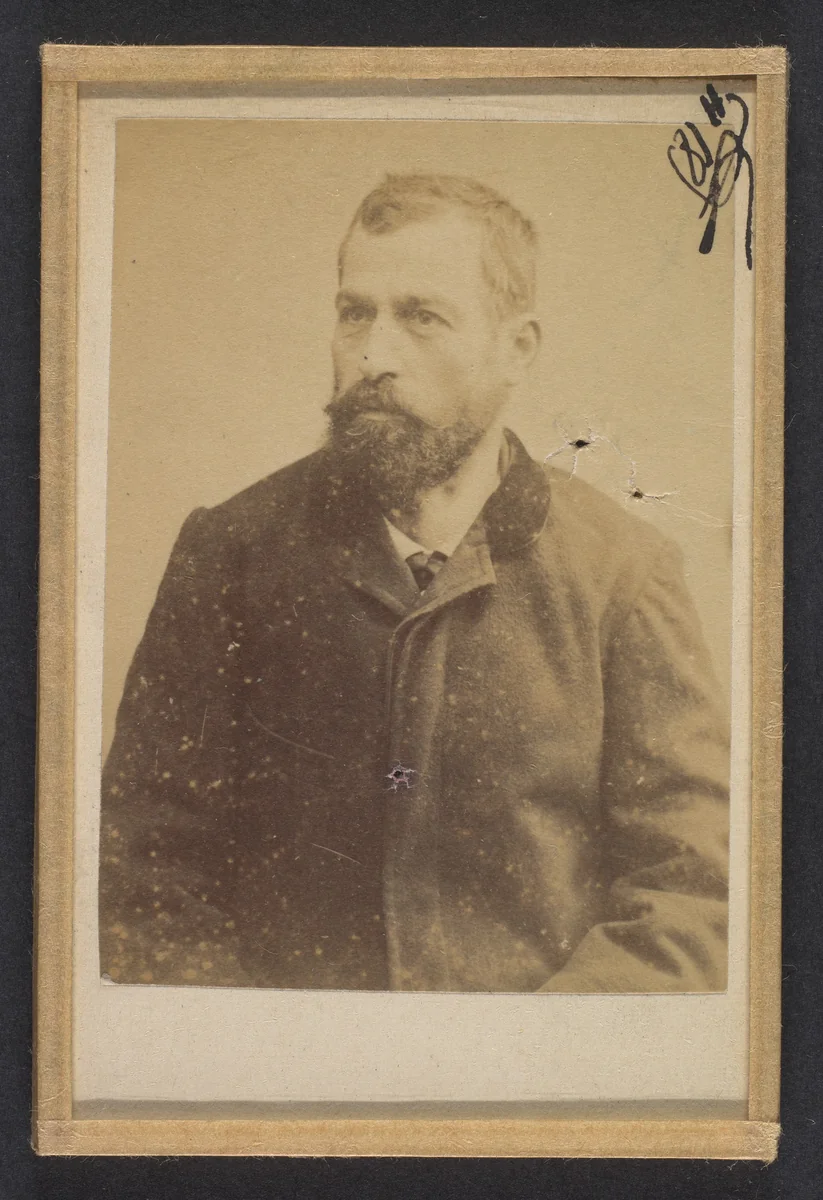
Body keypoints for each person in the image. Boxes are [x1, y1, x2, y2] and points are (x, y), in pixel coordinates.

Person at [99, 174, 730, 993]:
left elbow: (688, 890)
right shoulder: (231, 553)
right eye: (354, 312)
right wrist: (266, 1051)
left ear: (517, 348)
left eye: (421, 317)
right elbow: (145, 875)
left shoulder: (622, 574)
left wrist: (531, 1054)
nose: (372, 356)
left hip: (533, 1064)